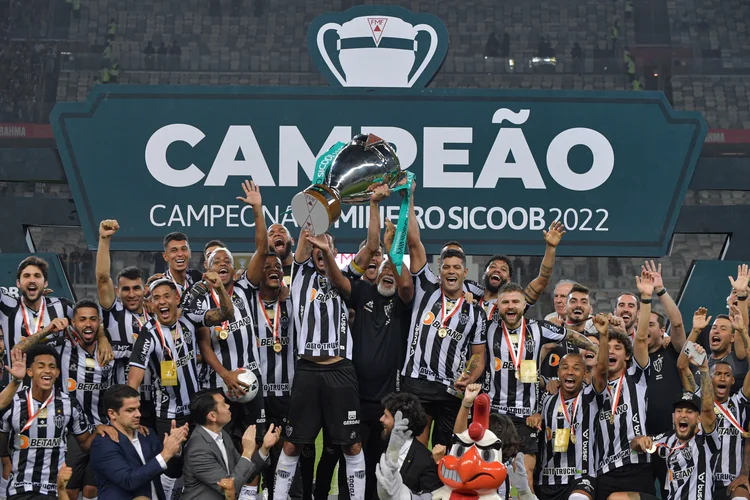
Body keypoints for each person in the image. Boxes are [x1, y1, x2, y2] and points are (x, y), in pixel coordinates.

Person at [184, 181, 270, 500]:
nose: (222, 264)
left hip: (251, 379)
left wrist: (257, 210)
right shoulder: (202, 302)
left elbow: (262, 249)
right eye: (215, 261)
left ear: (234, 269)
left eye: (226, 261)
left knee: (256, 443)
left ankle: (249, 496)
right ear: (207, 271)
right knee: (224, 445)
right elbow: (205, 345)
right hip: (220, 384)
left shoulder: (247, 288)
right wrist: (226, 376)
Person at [320, 205, 413, 500]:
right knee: (352, 456)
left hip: (389, 399)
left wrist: (391, 252)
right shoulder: (362, 292)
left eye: (392, 270)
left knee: (382, 461)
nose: (388, 273)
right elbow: (338, 281)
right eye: (383, 269)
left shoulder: (402, 301)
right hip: (356, 395)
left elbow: (407, 284)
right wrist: (326, 253)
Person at [272, 217, 366, 500]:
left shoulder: (346, 276)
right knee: (292, 445)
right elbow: (304, 236)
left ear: (334, 252)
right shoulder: (300, 274)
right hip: (308, 371)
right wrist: (313, 209)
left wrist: (325, 247)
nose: (319, 247)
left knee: (352, 445)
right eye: (314, 245)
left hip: (341, 370)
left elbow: (371, 246)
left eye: (326, 245)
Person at [128, 275, 233, 499]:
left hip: (197, 411)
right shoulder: (148, 335)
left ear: (177, 298)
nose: (162, 301)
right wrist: (131, 419)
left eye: (167, 296)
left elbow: (225, 314)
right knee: (172, 467)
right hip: (169, 415)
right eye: (156, 298)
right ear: (151, 304)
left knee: (201, 460)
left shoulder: (189, 318)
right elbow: (133, 382)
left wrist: (220, 288)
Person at [487, 282, 598, 492]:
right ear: (498, 305)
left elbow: (570, 336)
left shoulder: (538, 328)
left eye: (516, 302)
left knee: (525, 476)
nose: (511, 306)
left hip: (526, 417)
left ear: (524, 305)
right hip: (495, 414)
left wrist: (596, 348)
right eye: (506, 302)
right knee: (492, 474)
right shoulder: (487, 328)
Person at [401, 181, 487, 449]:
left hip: (451, 390)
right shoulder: (426, 286)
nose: (451, 271)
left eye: (457, 267)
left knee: (447, 454)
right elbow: (414, 241)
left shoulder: (476, 311)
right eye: (446, 266)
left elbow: (478, 357)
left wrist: (469, 376)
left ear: (465, 273)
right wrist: (409, 196)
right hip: (417, 384)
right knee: (415, 450)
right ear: (440, 270)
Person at [611, 349, 718, 500]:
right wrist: (640, 440)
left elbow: (707, 410)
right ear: (674, 416)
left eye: (689, 412)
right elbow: (635, 445)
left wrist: (704, 370)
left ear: (698, 419)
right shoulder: (668, 439)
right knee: (617, 498)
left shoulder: (706, 440)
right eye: (679, 411)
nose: (683, 415)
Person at [0, 344, 105, 499]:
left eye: (52, 367)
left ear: (57, 372)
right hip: (20, 488)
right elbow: (2, 443)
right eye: (41, 366)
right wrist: (6, 462)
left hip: (53, 489)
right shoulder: (13, 402)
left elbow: (84, 444)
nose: (47, 370)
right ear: (30, 372)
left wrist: (100, 430)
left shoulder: (70, 404)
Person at [528, 317, 613, 500]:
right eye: (565, 367)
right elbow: (535, 417)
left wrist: (604, 336)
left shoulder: (591, 396)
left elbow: (603, 371)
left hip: (581, 476)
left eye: (576, 368)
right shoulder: (548, 398)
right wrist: (534, 417)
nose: (570, 372)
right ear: (558, 373)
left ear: (584, 373)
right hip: (547, 479)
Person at [592, 271, 654, 499]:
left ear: (627, 357)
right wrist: (603, 337)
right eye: (608, 348)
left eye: (618, 348)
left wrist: (646, 299)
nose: (611, 351)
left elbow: (640, 338)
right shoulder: (595, 387)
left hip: (637, 468)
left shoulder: (636, 377)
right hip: (605, 471)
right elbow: (598, 369)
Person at [678, 307, 750, 500]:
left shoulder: (739, 402)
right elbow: (682, 365)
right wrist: (695, 331)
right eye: (717, 374)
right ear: (708, 378)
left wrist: (743, 331)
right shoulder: (699, 397)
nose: (722, 378)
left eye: (727, 375)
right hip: (702, 480)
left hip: (731, 482)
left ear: (733, 381)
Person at [97, 219, 156, 428]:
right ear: (117, 292)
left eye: (136, 288)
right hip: (124, 405)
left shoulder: (157, 315)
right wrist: (104, 239)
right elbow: (103, 278)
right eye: (126, 289)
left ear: (145, 290)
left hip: (158, 402)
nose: (131, 294)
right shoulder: (114, 312)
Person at [639, 261, 687, 496]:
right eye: (642, 324)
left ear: (661, 331)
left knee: (675, 493)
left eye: (651, 324)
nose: (646, 328)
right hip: (642, 441)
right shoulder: (631, 359)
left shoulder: (672, 350)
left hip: (672, 437)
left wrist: (660, 290)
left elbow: (677, 323)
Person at [90, 384, 189, 500]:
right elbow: (129, 480)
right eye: (130, 410)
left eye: (138, 408)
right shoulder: (103, 444)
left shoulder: (147, 434)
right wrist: (165, 454)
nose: (138, 414)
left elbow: (166, 470)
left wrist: (175, 448)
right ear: (112, 413)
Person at [182, 389, 281, 500]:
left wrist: (264, 448)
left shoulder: (222, 434)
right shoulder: (198, 450)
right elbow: (230, 488)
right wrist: (247, 451)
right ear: (212, 416)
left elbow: (245, 474)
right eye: (224, 404)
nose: (228, 406)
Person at [373, 393, 442, 500]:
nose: (381, 419)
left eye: (386, 416)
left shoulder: (426, 462)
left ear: (401, 422)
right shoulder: (382, 446)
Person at [162, 231, 203, 300]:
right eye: (174, 250)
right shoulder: (160, 284)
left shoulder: (197, 279)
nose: (180, 254)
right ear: (165, 256)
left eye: (184, 249)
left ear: (190, 253)